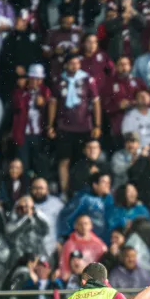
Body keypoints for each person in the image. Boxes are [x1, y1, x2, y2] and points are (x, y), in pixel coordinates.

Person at [49, 53, 103, 195]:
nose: (75, 66)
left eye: (77, 63)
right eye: (72, 63)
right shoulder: (59, 80)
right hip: (64, 126)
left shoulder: (87, 79)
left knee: (84, 160)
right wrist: (50, 125)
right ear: (66, 65)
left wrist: (97, 125)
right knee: (64, 160)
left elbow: (96, 102)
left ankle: (84, 190)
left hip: (84, 126)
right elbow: (53, 103)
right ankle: (65, 192)